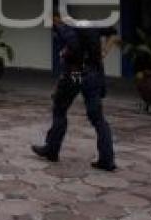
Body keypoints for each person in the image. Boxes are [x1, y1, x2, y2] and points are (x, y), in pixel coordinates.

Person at [32, 14, 119, 171]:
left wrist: (64, 54)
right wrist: (105, 51)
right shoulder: (91, 25)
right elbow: (113, 32)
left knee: (59, 110)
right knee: (98, 119)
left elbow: (72, 47)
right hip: (92, 75)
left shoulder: (64, 28)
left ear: (56, 20)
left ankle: (52, 150)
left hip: (74, 75)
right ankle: (107, 159)